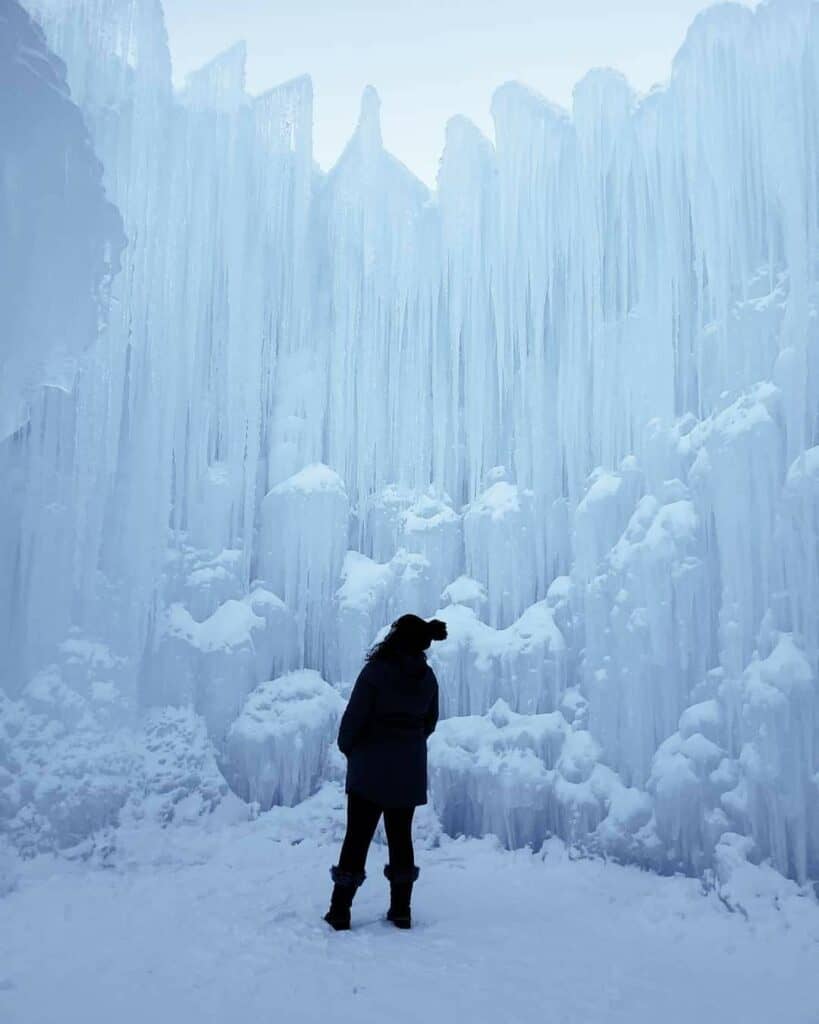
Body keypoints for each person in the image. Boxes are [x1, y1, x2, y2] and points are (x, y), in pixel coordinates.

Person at [324, 614, 447, 931]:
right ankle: (401, 910)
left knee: (357, 837)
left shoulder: (376, 672)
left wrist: (350, 747)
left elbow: (353, 720)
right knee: (401, 837)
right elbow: (429, 723)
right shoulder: (427, 677)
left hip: (370, 768)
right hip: (408, 769)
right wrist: (408, 747)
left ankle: (340, 910)